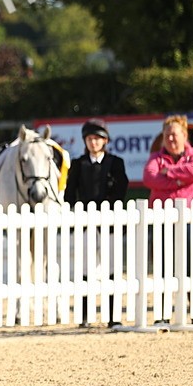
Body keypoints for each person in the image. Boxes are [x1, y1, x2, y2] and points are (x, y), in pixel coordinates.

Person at [143, 114, 193, 325]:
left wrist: (168, 173)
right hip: (163, 220)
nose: (170, 139)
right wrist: (181, 180)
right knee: (163, 267)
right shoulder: (155, 158)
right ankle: (163, 313)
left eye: (174, 135)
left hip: (191, 220)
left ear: (184, 135)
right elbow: (150, 178)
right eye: (166, 135)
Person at [65, 119, 130, 327]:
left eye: (98, 139)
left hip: (109, 221)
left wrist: (111, 210)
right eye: (90, 139)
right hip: (86, 221)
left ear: (105, 140)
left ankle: (113, 315)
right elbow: (69, 193)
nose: (94, 143)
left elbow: (121, 190)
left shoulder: (115, 162)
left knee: (111, 267)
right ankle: (84, 315)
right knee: (85, 267)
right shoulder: (78, 163)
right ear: (85, 141)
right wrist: (75, 214)